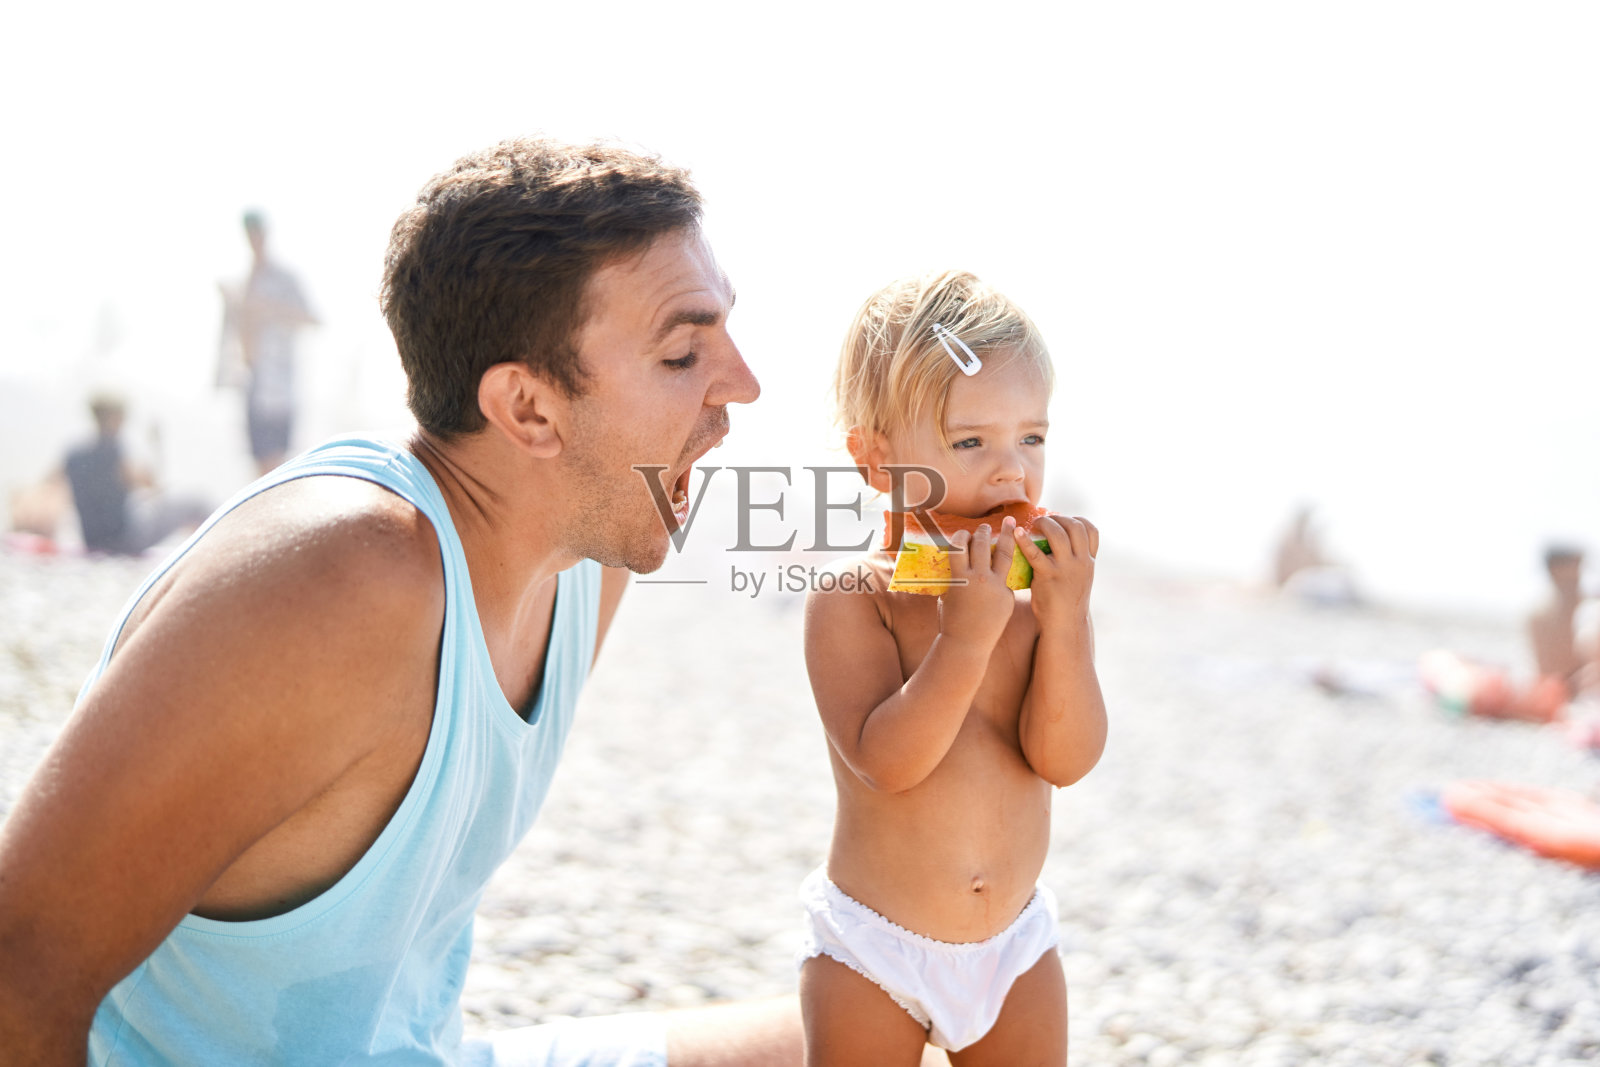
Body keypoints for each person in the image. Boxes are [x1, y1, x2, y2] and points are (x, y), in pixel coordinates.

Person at [0, 136, 824, 1066]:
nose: (743, 385)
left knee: (893, 1028)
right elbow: (17, 972)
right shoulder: (343, 578)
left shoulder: (588, 553)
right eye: (684, 352)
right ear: (529, 410)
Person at [797, 271, 1107, 1065]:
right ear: (877, 462)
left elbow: (1064, 760)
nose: (1010, 472)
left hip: (1012, 948)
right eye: (970, 442)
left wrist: (1066, 619)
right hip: (875, 949)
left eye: (1029, 438)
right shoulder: (854, 597)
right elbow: (889, 763)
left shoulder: (1036, 603)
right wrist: (964, 639)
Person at [217, 209, 319, 475]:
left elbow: (313, 318)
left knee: (278, 465)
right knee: (258, 465)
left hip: (280, 387)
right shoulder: (242, 281)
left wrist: (269, 310)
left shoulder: (285, 279)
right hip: (251, 383)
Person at [57, 391, 210, 555]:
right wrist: (155, 446)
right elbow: (150, 485)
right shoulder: (114, 450)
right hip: (124, 539)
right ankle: (210, 553)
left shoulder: (74, 453)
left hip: (91, 538)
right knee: (196, 502)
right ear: (114, 417)